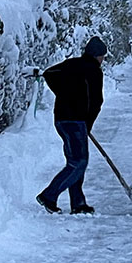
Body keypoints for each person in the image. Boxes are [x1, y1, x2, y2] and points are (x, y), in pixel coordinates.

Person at [35, 36, 107, 214]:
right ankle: (49, 195)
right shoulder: (94, 71)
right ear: (97, 55)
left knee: (74, 161)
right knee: (79, 162)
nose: (103, 59)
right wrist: (87, 122)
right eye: (102, 56)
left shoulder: (71, 64)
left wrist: (64, 94)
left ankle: (78, 202)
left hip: (61, 119)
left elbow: (49, 73)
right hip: (76, 121)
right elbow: (96, 101)